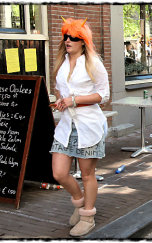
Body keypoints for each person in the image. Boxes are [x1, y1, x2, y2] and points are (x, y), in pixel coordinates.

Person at [50, 17, 110, 237]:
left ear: (83, 41)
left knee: (87, 175)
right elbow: (60, 90)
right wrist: (61, 100)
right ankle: (80, 202)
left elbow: (103, 95)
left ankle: (88, 216)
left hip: (88, 125)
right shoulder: (62, 62)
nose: (69, 40)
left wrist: (74, 100)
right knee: (59, 173)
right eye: (66, 36)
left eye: (74, 37)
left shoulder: (93, 62)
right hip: (66, 125)